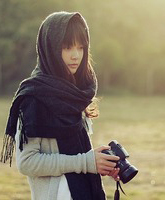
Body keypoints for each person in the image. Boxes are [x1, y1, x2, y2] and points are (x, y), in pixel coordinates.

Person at [0, 11, 120, 200]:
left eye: (81, 48)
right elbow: (27, 163)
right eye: (67, 47)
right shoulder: (33, 97)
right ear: (50, 48)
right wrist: (86, 162)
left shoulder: (77, 93)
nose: (76, 55)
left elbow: (76, 156)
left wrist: (100, 164)